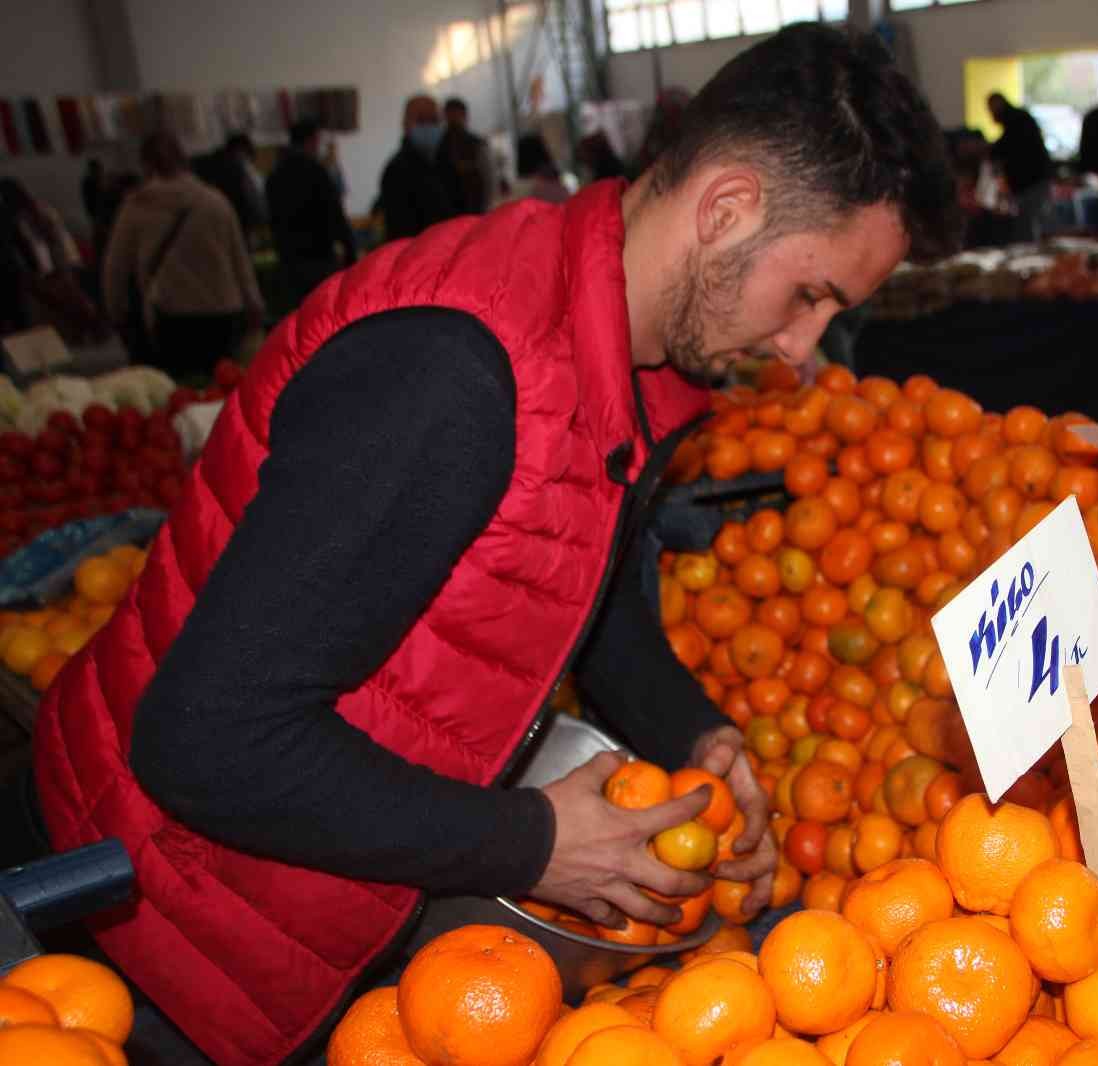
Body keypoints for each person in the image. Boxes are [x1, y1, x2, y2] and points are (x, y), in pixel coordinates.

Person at [22, 23, 957, 1066]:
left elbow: (568, 581)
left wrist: (699, 734)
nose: (800, 348)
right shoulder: (453, 377)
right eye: (810, 295)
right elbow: (203, 737)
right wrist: (532, 842)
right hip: (153, 930)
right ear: (727, 208)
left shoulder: (618, 350)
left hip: (308, 889)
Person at [101, 132, 264, 378]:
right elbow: (240, 259)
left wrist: (117, 313)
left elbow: (115, 268)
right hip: (224, 312)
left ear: (146, 164)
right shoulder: (215, 201)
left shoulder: (138, 206)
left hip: (171, 316)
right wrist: (254, 304)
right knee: (224, 385)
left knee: (181, 390)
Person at [267, 118, 359, 307]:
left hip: (288, 258)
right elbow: (334, 214)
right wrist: (350, 251)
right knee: (322, 314)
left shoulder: (276, 174)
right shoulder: (316, 172)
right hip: (318, 258)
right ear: (311, 140)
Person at [0, 177, 103, 343]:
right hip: (50, 272)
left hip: (43, 275)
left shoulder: (19, 218)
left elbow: (31, 248)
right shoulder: (36, 213)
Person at [378, 95, 456, 242]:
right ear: (405, 124)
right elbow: (399, 231)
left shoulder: (448, 165)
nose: (427, 127)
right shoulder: (396, 170)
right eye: (420, 121)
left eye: (433, 121)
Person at [987, 93, 1054, 240]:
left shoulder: (1016, 122)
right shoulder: (1019, 119)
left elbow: (1006, 149)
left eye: (991, 110)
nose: (990, 115)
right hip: (1034, 182)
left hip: (1033, 183)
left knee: (1028, 228)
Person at [193, 132, 269, 237]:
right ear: (241, 150)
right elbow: (251, 197)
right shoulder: (237, 169)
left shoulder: (204, 166)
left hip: (210, 224)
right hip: (237, 221)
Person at [438, 97, 495, 215]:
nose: (453, 119)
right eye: (450, 115)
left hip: (474, 206)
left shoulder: (476, 144)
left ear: (464, 116)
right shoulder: (439, 146)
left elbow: (489, 176)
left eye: (456, 115)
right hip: (447, 209)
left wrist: (487, 206)